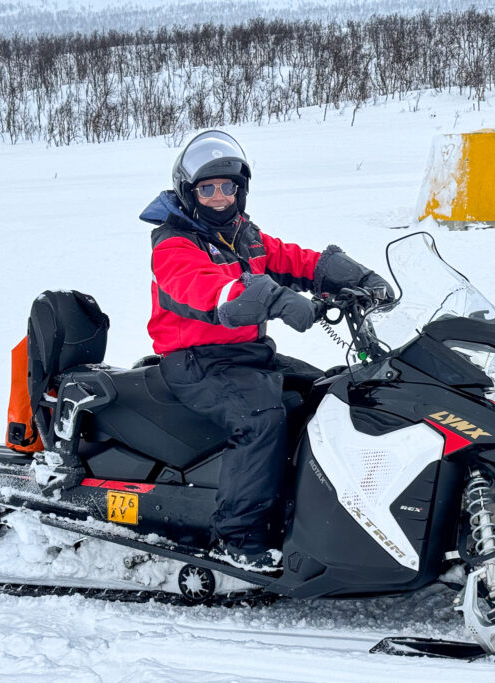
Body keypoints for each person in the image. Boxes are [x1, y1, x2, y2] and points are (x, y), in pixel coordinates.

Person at [138, 130, 390, 571]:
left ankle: (311, 513)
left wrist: (350, 275)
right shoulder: (174, 245)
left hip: (248, 355)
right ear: (189, 192)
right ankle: (241, 539)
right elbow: (207, 290)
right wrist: (271, 297)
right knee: (262, 419)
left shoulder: (242, 234)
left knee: (327, 393)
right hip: (196, 360)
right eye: (208, 188)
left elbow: (293, 259)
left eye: (228, 187)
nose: (219, 197)